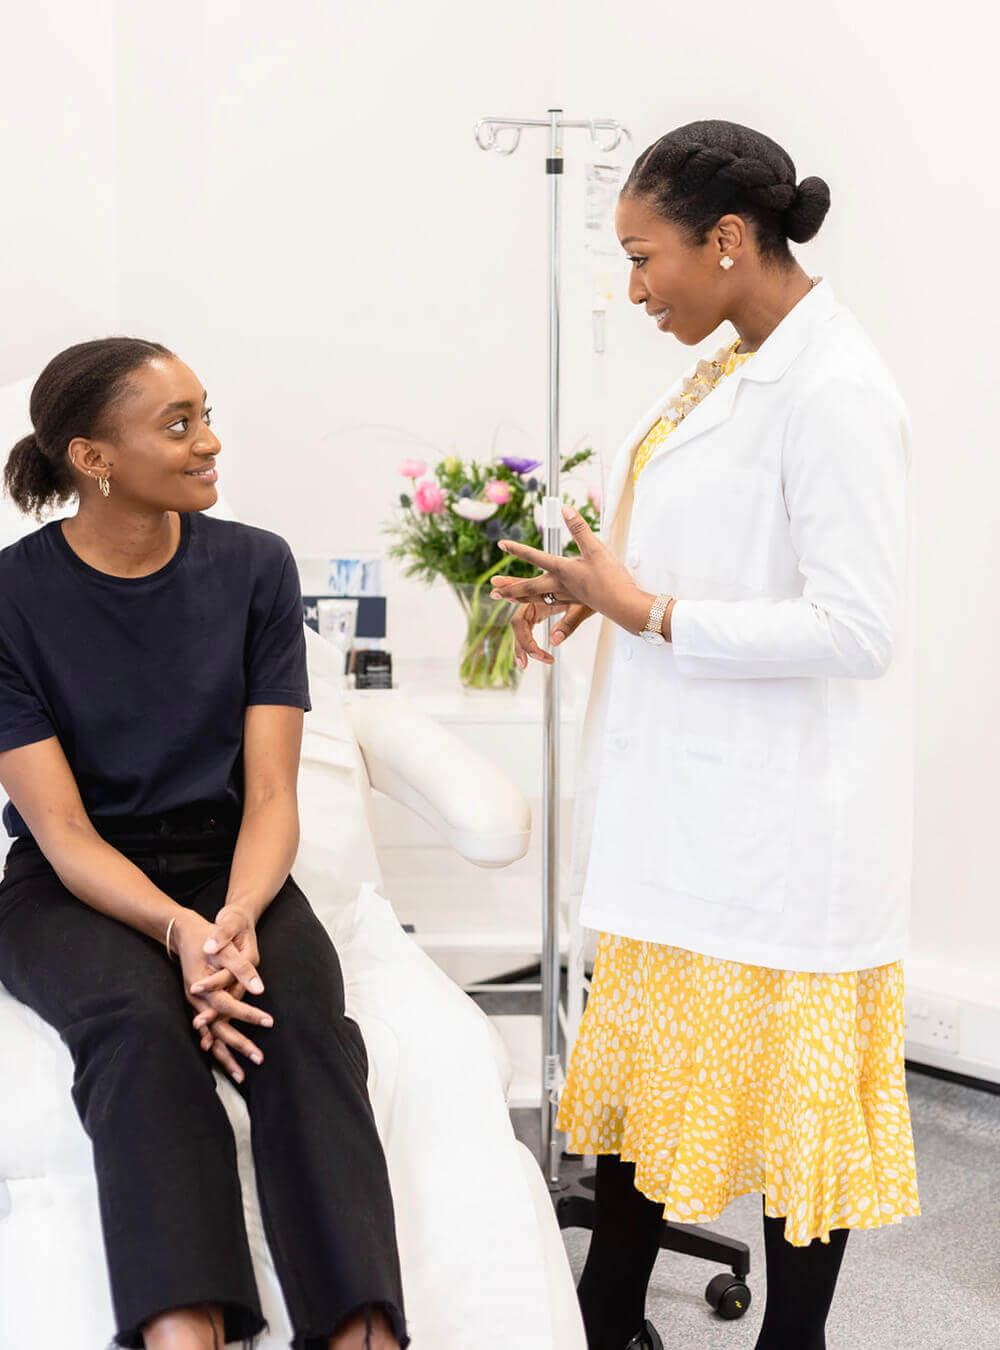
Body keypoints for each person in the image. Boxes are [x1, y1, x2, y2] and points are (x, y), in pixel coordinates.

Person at [490, 119, 920, 1350]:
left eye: (643, 259)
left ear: (726, 241)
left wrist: (653, 611)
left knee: (793, 1126)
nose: (632, 291)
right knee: (634, 1102)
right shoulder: (731, 362)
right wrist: (595, 597)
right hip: (687, 820)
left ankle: (794, 1340)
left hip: (778, 841)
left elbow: (857, 628)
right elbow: (714, 554)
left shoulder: (834, 388)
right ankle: (607, 1314)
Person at [0, 338, 409, 1350]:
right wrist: (178, 932)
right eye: (177, 425)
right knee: (140, 1033)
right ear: (93, 458)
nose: (209, 442)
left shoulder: (254, 567)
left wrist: (227, 923)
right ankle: (183, 1337)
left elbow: (272, 794)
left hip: (236, 868)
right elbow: (59, 828)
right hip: (71, 884)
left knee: (303, 1031)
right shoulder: (11, 597)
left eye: (205, 413)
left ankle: (364, 1335)